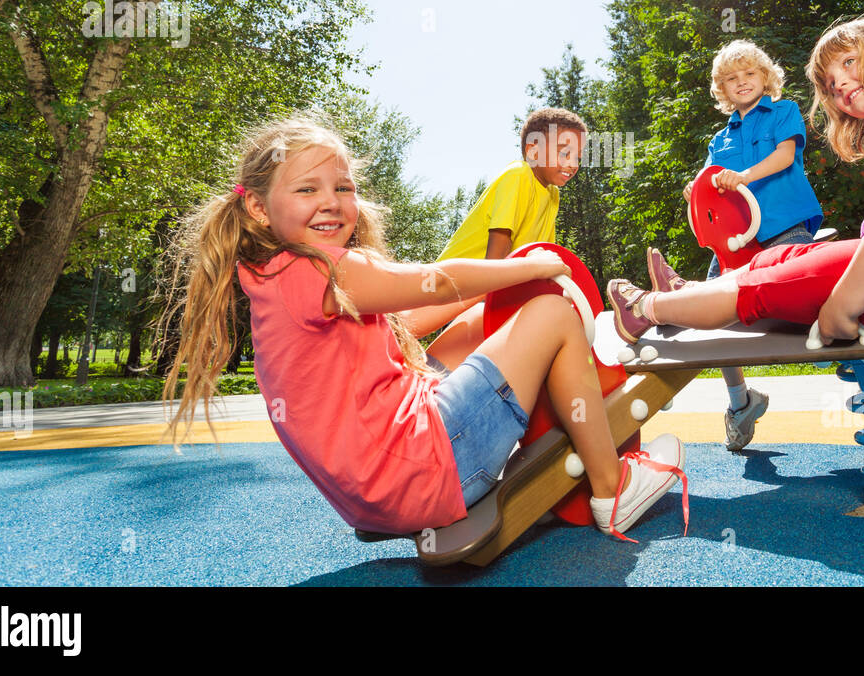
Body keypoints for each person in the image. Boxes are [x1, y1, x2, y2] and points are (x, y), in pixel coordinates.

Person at [157, 112, 686, 541]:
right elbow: (437, 280)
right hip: (426, 472)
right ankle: (612, 489)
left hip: (375, 497)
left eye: (342, 187)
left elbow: (408, 321)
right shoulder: (321, 267)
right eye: (307, 190)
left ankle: (538, 426)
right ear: (255, 207)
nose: (331, 202)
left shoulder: (273, 277)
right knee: (551, 312)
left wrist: (497, 295)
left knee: (481, 318)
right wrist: (536, 268)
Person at [609, 17, 864, 441]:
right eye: (831, 84)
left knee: (758, 288)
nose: (840, 86)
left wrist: (842, 307)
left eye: (850, 63)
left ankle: (644, 309)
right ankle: (686, 292)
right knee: (778, 260)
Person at [648, 39, 823, 452]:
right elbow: (709, 187)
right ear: (721, 90)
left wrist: (743, 175)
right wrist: (697, 188)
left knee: (818, 308)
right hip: (734, 243)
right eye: (731, 78)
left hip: (784, 230)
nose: (741, 82)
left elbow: (784, 157)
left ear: (766, 78)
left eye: (749, 74)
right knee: (710, 319)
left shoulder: (783, 112)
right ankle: (739, 402)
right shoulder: (720, 139)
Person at [425, 107, 587, 373]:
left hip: (496, 284)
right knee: (463, 351)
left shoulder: (552, 195)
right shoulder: (518, 175)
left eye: (578, 157)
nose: (572, 164)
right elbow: (496, 256)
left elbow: (544, 256)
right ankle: (428, 381)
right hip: (463, 284)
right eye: (564, 153)